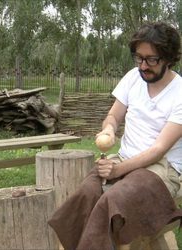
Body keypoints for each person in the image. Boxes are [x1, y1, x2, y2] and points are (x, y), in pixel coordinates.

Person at [48, 22, 182, 250]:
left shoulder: (179, 92)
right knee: (86, 193)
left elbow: (159, 149)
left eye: (151, 59)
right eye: (138, 58)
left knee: (113, 200)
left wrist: (118, 170)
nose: (143, 66)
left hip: (163, 168)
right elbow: (113, 116)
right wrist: (109, 129)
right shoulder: (132, 78)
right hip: (124, 159)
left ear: (168, 58)